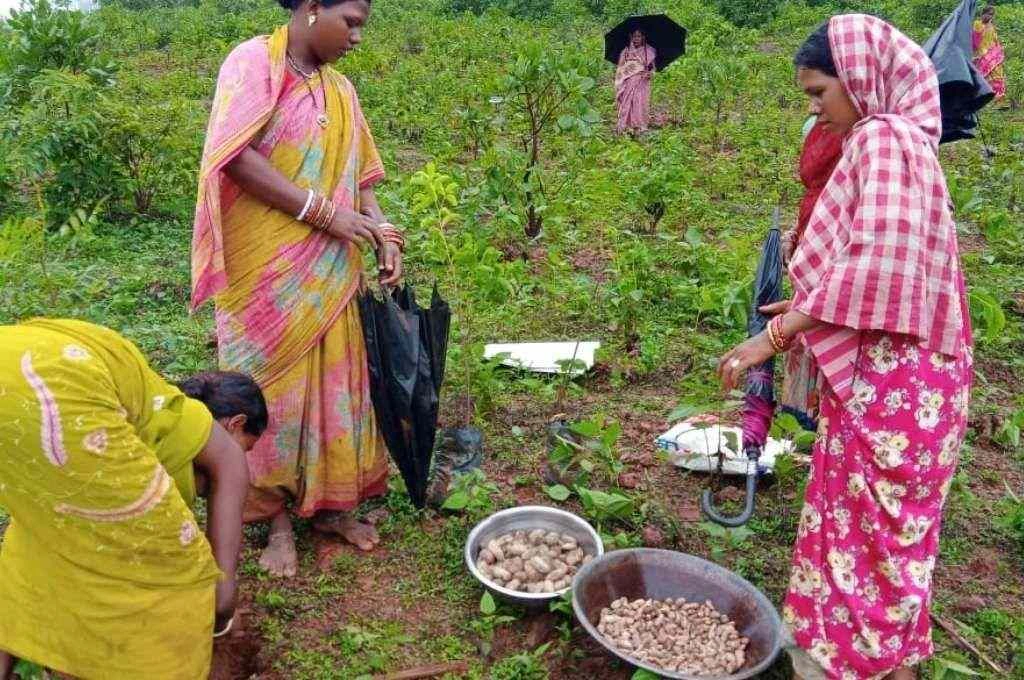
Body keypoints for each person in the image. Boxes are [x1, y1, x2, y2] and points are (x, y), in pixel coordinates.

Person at [719, 15, 972, 680]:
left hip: (896, 387)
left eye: (819, 93)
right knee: (884, 541)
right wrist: (805, 306)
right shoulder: (906, 141)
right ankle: (873, 661)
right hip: (911, 386)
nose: (814, 109)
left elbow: (879, 269)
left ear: (860, 81)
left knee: (873, 539)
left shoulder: (884, 139)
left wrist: (772, 338)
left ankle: (851, 664)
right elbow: (874, 265)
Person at [191, 0, 404, 578]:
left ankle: (329, 508)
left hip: (332, 272)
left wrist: (381, 232)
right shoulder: (253, 63)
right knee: (269, 397)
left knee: (337, 388)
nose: (358, 36)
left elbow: (360, 178)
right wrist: (322, 213)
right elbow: (233, 157)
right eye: (351, 21)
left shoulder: (343, 92)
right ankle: (276, 520)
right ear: (311, 8)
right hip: (263, 276)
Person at [0, 318, 267, 680]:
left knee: (44, 537)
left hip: (17, 352)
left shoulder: (140, 429)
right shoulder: (205, 438)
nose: (245, 457)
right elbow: (219, 592)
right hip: (54, 381)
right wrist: (218, 606)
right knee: (170, 571)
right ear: (233, 424)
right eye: (249, 446)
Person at [779, 116, 845, 432]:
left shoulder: (871, 142)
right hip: (816, 228)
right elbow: (818, 189)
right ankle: (799, 427)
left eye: (820, 92)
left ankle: (821, 428)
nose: (816, 105)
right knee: (806, 330)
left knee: (823, 325)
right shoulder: (829, 117)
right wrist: (799, 232)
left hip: (840, 246)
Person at [616, 29, 656, 135]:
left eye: (638, 36)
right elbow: (620, 68)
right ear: (630, 37)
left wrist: (650, 74)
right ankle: (624, 128)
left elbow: (653, 69)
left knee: (639, 104)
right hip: (628, 82)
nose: (636, 39)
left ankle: (638, 128)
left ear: (643, 37)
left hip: (642, 82)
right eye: (634, 36)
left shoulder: (649, 51)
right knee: (627, 104)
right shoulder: (626, 51)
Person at [973, 4, 1006, 100]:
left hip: (993, 55)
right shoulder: (977, 24)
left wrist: (999, 52)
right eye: (987, 14)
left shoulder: (992, 26)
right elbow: (975, 41)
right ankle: (984, 97)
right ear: (982, 14)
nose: (989, 16)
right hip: (981, 55)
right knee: (982, 77)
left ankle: (998, 98)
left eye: (991, 15)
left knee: (997, 76)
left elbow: (995, 41)